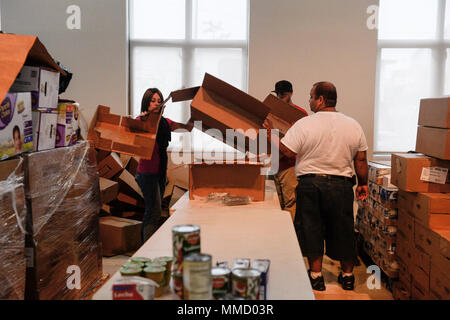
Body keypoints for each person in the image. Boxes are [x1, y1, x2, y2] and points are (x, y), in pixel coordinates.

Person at [264, 82, 368, 291]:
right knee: (344, 230)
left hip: (310, 185)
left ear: (320, 100)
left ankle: (316, 277)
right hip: (341, 185)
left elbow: (287, 151)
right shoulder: (353, 125)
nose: (309, 101)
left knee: (312, 229)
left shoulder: (305, 124)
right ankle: (348, 277)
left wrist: (269, 134)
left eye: (311, 97)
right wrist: (362, 184)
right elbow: (361, 159)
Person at [135, 88, 193, 244]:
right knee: (153, 211)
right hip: (146, 174)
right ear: (146, 103)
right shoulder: (140, 121)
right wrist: (142, 121)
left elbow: (187, 128)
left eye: (159, 101)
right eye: (152, 101)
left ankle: (148, 245)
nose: (156, 104)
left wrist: (195, 111)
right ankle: (146, 248)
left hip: (159, 173)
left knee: (155, 211)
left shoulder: (165, 123)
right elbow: (131, 137)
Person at [271, 80, 308, 221]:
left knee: (291, 203)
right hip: (275, 164)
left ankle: (291, 237)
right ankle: (281, 234)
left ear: (291, 94)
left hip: (291, 165)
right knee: (277, 204)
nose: (280, 98)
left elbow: (303, 141)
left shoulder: (300, 114)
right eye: (278, 95)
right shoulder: (272, 113)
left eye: (283, 95)